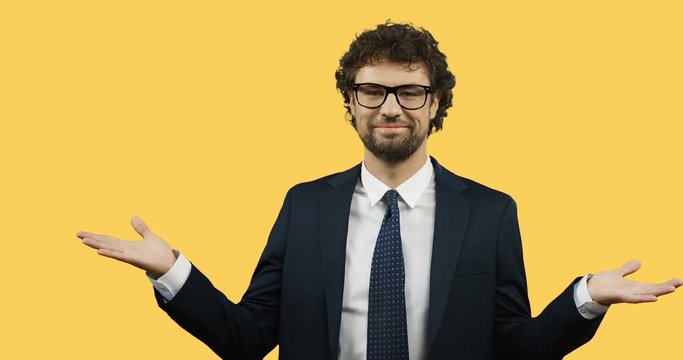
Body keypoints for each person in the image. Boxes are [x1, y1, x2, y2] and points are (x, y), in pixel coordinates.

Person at [78, 22, 681, 360]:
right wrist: (172, 272)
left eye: (409, 92)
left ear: (435, 102)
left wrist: (586, 299)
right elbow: (249, 338)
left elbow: (513, 351)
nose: (390, 107)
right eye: (372, 91)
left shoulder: (492, 212)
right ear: (350, 102)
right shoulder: (305, 204)